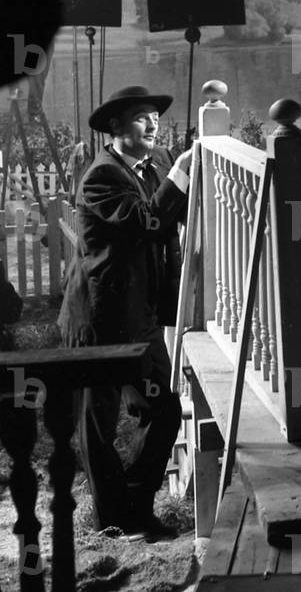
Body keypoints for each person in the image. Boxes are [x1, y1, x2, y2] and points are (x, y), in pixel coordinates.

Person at [57, 85, 193, 539]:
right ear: (116, 128)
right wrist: (178, 173)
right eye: (141, 117)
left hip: (139, 317)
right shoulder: (102, 176)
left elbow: (174, 215)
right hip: (98, 319)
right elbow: (148, 222)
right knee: (99, 423)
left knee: (164, 409)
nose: (153, 124)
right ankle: (113, 521)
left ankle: (136, 503)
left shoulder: (152, 166)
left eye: (155, 116)